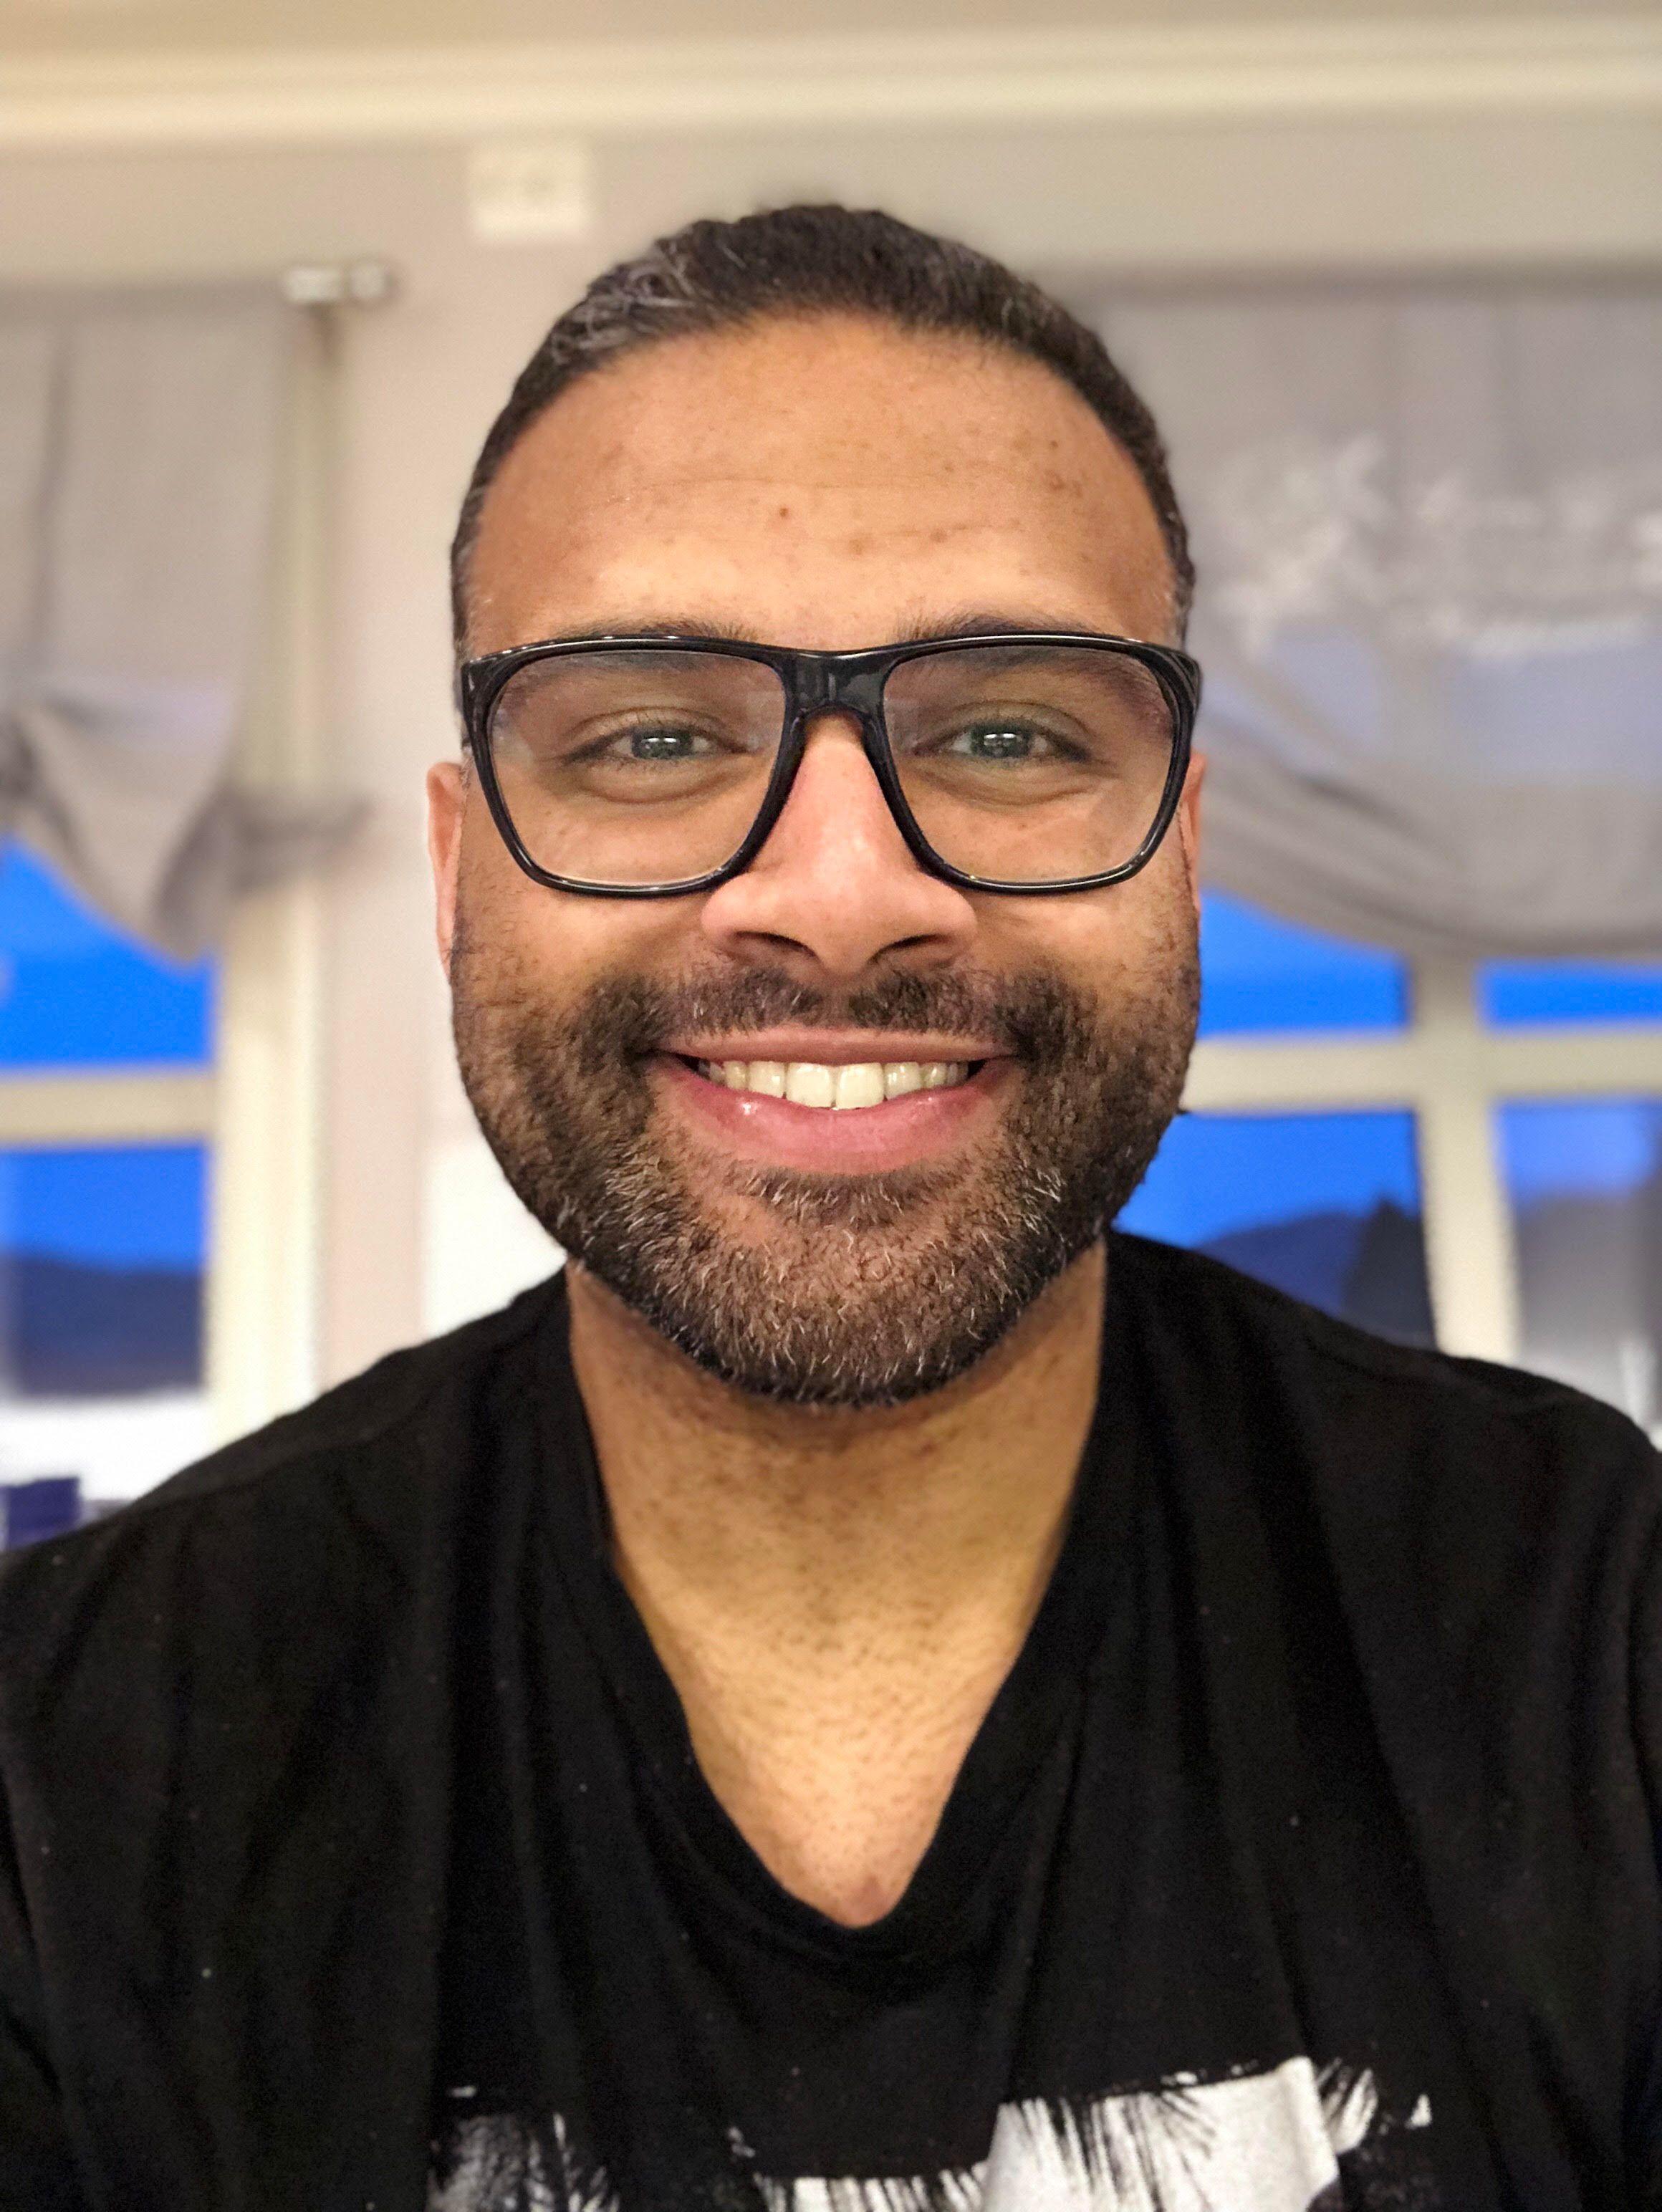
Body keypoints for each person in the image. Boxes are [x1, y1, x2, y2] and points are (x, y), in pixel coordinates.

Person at [1, 205, 1658, 2212]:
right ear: (458, 875)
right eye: (653, 738)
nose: (846, 894)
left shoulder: (1595, 1639)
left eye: (1009, 734)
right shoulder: (71, 1770)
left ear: (1183, 852)